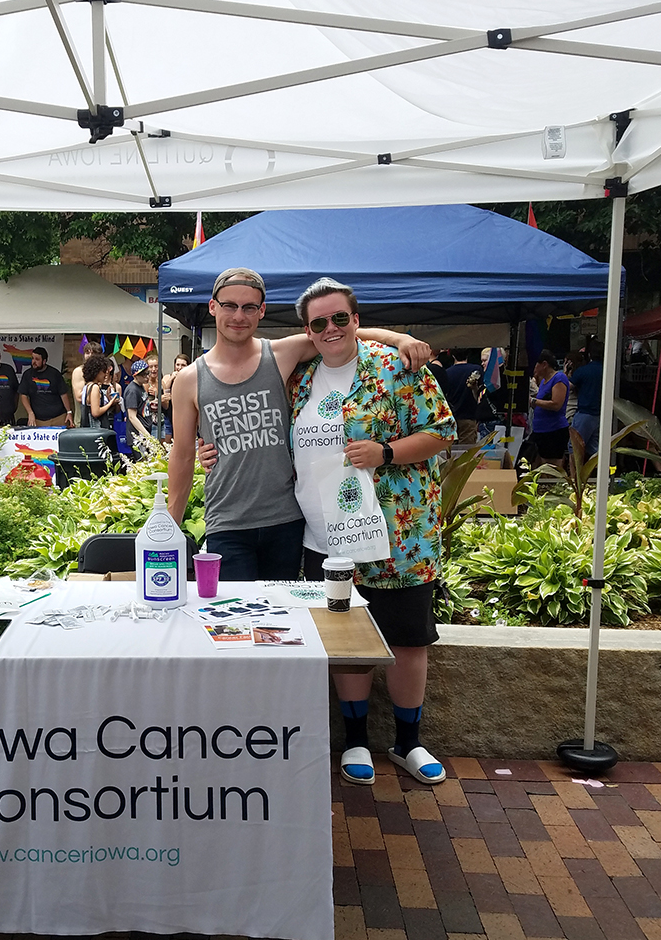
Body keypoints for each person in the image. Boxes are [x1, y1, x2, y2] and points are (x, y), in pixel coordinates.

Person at [288, 278, 456, 786]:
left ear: (357, 320)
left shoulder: (395, 368)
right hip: (327, 538)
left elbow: (441, 432)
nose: (331, 329)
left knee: (408, 641)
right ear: (308, 331)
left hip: (400, 536)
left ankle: (408, 743)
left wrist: (386, 453)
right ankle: (356, 740)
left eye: (340, 318)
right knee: (348, 641)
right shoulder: (300, 379)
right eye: (319, 322)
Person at [167, 266, 429, 580]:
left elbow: (338, 333)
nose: (239, 315)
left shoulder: (281, 354)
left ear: (261, 311)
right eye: (229, 305)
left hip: (286, 521)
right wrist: (171, 528)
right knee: (235, 621)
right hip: (228, 522)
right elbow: (182, 456)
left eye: (249, 306)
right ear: (213, 307)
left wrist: (399, 338)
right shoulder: (189, 379)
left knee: (281, 622)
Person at [528, 348, 570, 467]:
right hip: (540, 430)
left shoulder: (559, 379)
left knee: (552, 465)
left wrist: (535, 401)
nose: (534, 367)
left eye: (536, 364)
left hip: (553, 430)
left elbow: (556, 404)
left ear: (544, 364)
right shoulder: (543, 382)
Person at [18, 347, 73, 427]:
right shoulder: (27, 375)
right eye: (32, 358)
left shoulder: (54, 373)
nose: (34, 362)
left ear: (44, 361)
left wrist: (69, 412)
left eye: (37, 359)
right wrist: (30, 413)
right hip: (38, 420)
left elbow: (63, 394)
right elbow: (23, 395)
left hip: (59, 418)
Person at [439, 348, 483, 444]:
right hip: (469, 417)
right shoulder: (476, 370)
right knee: (466, 452)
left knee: (450, 451)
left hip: (451, 418)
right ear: (468, 354)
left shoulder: (447, 373)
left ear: (452, 355)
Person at [80, 354, 122, 429]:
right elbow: (96, 412)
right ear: (97, 372)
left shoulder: (87, 386)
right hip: (96, 429)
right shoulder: (95, 387)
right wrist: (111, 402)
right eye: (103, 371)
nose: (105, 375)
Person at [123, 359, 154, 454]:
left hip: (144, 432)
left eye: (147, 373)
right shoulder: (132, 390)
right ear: (135, 376)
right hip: (138, 436)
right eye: (143, 374)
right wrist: (146, 435)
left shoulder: (141, 386)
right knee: (143, 463)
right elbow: (132, 416)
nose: (147, 376)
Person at [71, 341, 104, 426]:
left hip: (100, 421)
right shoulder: (79, 371)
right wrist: (95, 388)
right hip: (83, 421)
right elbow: (79, 397)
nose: (90, 355)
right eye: (87, 352)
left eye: (93, 353)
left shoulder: (102, 372)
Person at [161, 353, 190, 442]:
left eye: (183, 365)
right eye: (178, 364)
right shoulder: (167, 377)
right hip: (169, 413)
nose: (179, 367)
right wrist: (172, 378)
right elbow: (165, 389)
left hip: (184, 415)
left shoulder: (190, 379)